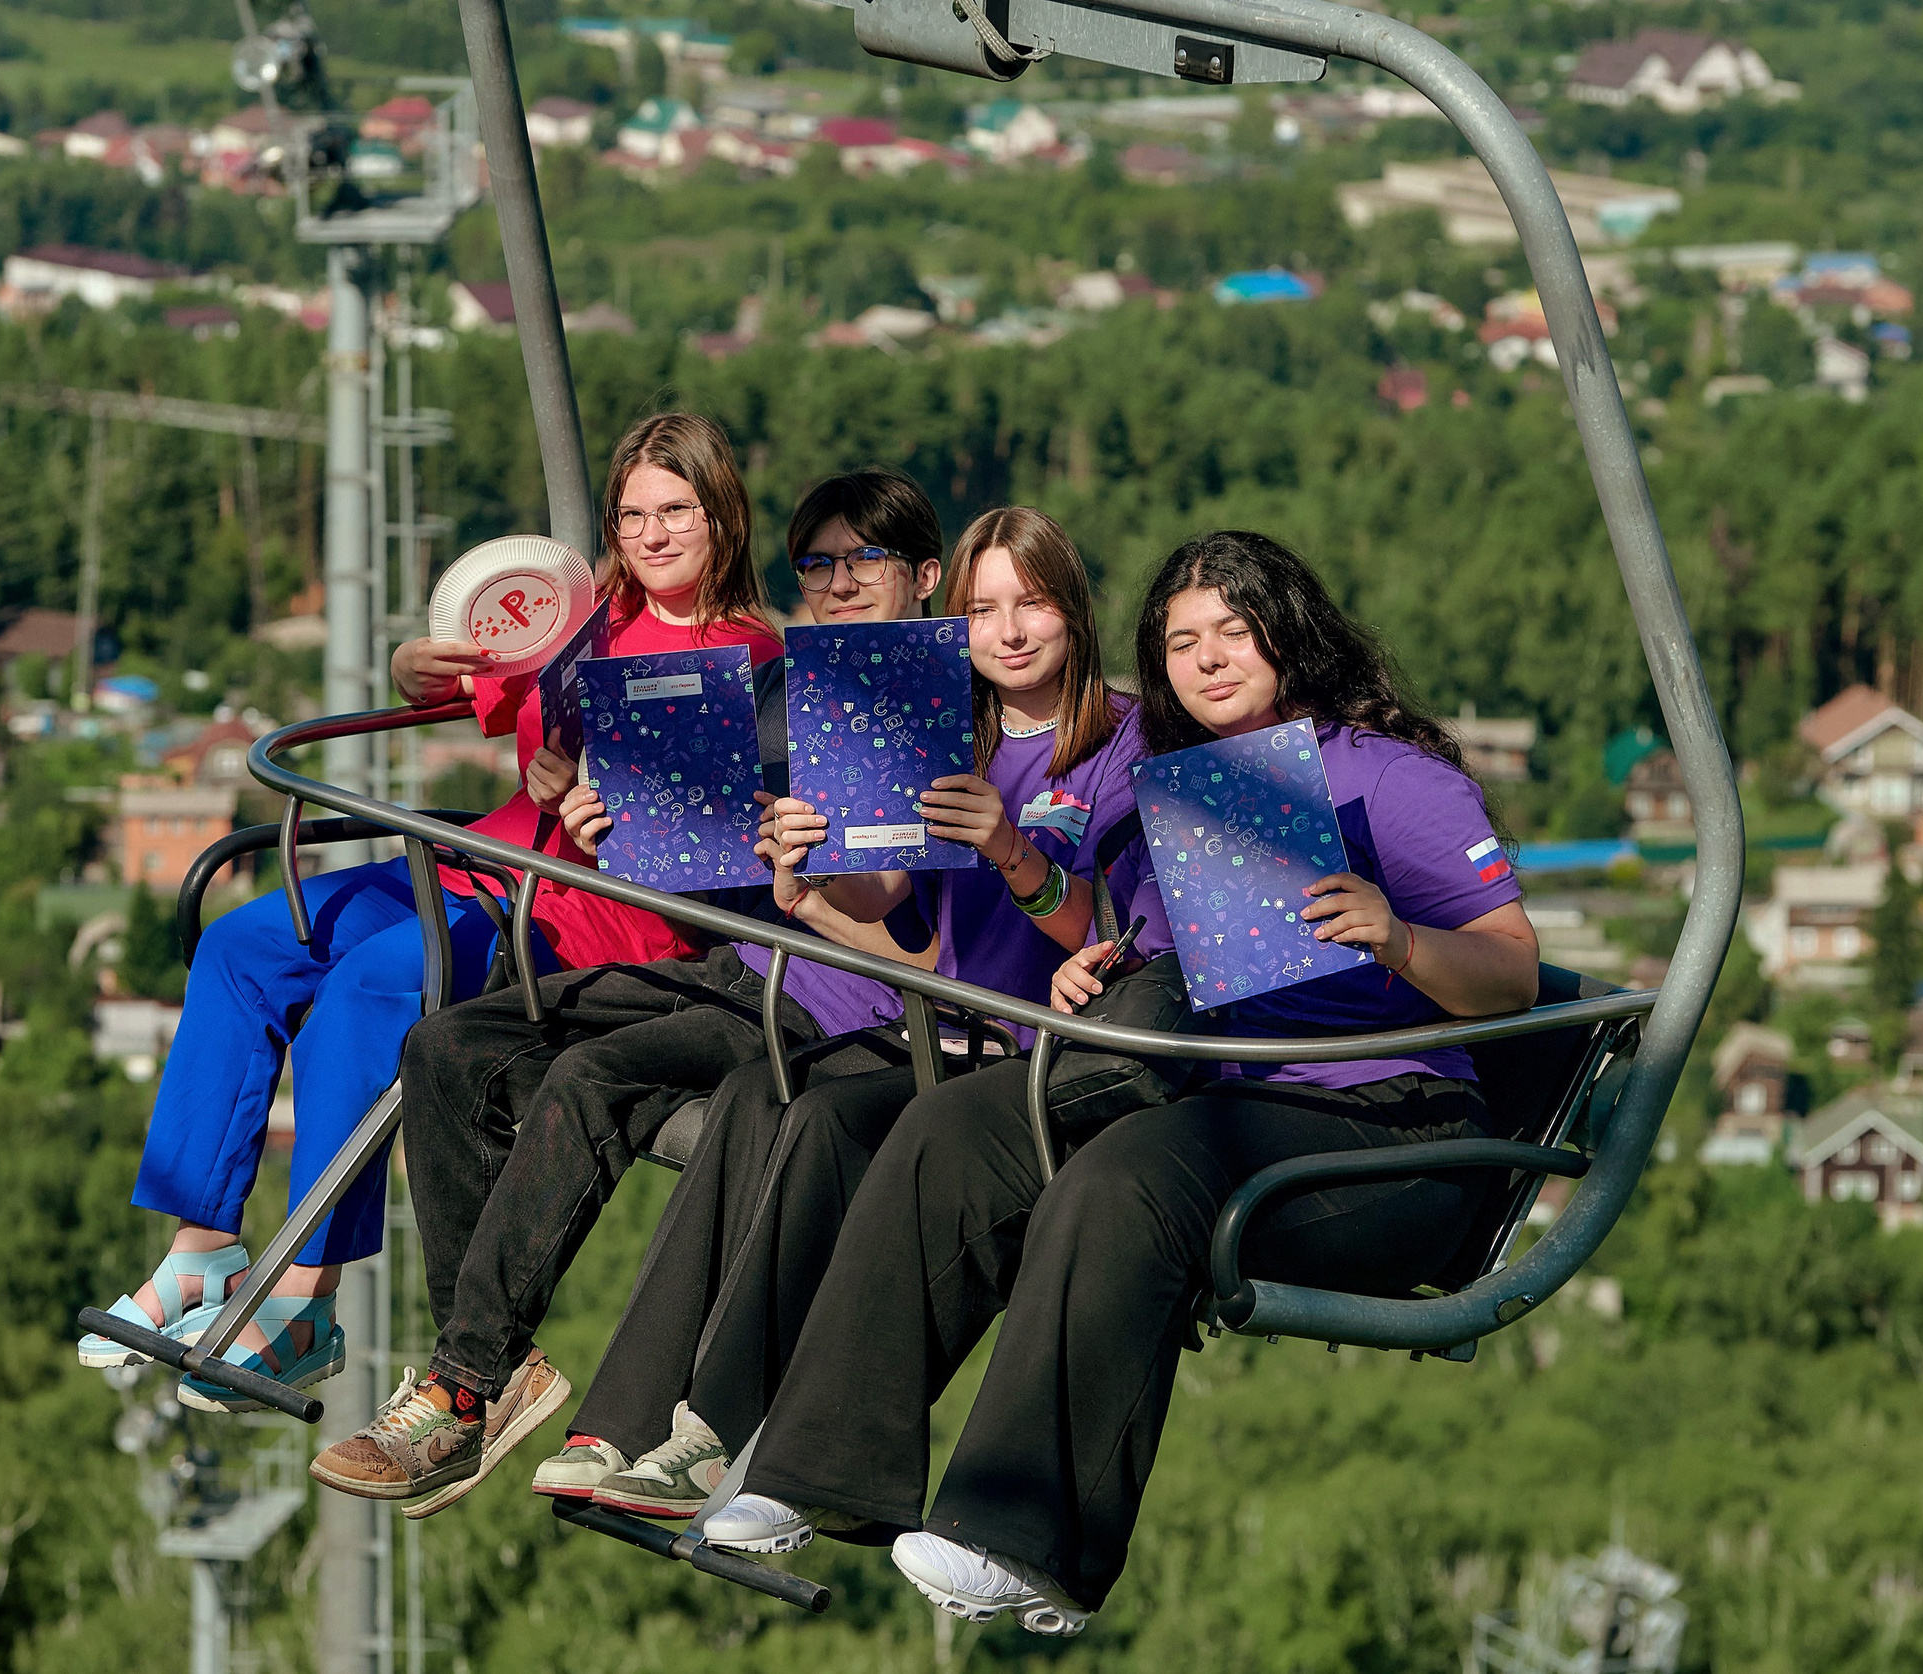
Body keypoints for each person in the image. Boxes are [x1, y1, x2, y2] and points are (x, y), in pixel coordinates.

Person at [699, 530, 1541, 1638]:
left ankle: (1027, 1535)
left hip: (1384, 1124)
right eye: (1180, 640)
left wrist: (1396, 937)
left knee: (1129, 1178)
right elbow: (1153, 940)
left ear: (1292, 632)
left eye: (1233, 631)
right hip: (1211, 1084)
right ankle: (818, 1465)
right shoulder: (1175, 789)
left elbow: (1512, 970)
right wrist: (1103, 957)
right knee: (959, 1123)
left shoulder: (1389, 777)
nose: (1206, 658)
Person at [89, 412, 782, 1412]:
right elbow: (483, 680)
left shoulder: (747, 658)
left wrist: (594, 806)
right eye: (633, 512)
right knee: (246, 943)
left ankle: (302, 1302)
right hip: (491, 854)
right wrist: (419, 672)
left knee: (373, 986)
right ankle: (201, 1247)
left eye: (676, 510)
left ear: (723, 515)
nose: (651, 534)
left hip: (582, 906)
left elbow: (701, 844)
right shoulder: (584, 613)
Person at [303, 466, 955, 1511]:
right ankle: (483, 1366)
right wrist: (621, 830)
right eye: (820, 562)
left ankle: (460, 1391)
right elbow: (719, 871)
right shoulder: (797, 681)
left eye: (863, 559)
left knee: (593, 1074)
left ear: (923, 572)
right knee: (450, 1048)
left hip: (831, 1000)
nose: (838, 582)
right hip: (743, 954)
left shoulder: (903, 690)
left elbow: (884, 902)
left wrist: (803, 874)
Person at [538, 507, 1156, 1524]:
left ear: (1073, 611)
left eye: (1031, 603)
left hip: (1028, 1055)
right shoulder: (941, 731)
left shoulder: (1122, 746)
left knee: (825, 1121)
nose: (1008, 631)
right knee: (754, 1095)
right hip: (932, 1026)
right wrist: (809, 878)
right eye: (983, 608)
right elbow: (889, 905)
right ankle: (627, 1417)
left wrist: (1014, 854)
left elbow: (1114, 933)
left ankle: (713, 1433)